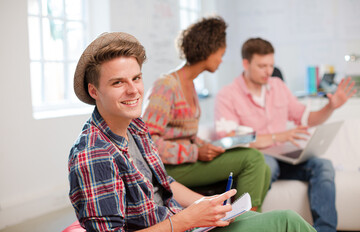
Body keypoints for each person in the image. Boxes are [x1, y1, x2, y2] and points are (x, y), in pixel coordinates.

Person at [68, 32, 317, 231]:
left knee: (287, 218)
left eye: (136, 78)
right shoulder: (95, 154)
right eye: (118, 82)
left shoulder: (135, 127)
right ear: (94, 91)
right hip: (182, 224)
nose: (134, 90)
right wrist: (188, 219)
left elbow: (165, 184)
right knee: (287, 222)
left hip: (184, 222)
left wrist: (207, 205)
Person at [214, 37, 357, 232]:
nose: (268, 71)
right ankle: (250, 223)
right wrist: (276, 137)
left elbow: (307, 117)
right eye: (262, 66)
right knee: (268, 166)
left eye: (271, 65)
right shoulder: (228, 95)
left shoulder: (278, 86)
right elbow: (228, 139)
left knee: (323, 165)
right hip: (259, 157)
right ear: (245, 63)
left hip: (285, 156)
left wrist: (330, 107)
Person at [142, 16, 269, 212]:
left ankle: (244, 219)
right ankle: (247, 225)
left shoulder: (191, 85)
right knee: (253, 159)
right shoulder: (166, 85)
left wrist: (207, 146)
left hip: (187, 162)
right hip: (170, 169)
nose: (221, 59)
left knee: (264, 168)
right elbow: (147, 142)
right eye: (221, 54)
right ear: (208, 50)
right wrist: (195, 152)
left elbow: (186, 136)